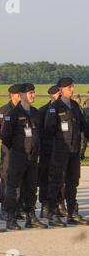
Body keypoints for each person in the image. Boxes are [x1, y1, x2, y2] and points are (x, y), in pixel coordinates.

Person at [0, 83, 47, 230]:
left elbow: (40, 133)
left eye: (33, 92)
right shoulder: (13, 113)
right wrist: (17, 148)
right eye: (30, 93)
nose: (33, 95)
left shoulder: (35, 113)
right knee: (15, 188)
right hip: (18, 155)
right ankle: (11, 216)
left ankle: (30, 216)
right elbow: (6, 136)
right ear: (21, 95)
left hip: (33, 156)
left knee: (31, 187)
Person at [44, 77, 89, 227]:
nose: (72, 89)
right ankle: (53, 213)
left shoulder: (75, 107)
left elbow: (84, 126)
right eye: (69, 87)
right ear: (61, 90)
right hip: (59, 152)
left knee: (72, 183)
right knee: (56, 183)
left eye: (72, 87)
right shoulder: (55, 107)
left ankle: (72, 213)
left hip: (74, 151)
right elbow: (48, 131)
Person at [38, 85, 66, 218]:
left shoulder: (65, 110)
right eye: (57, 94)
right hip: (46, 150)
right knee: (45, 178)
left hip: (59, 150)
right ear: (52, 96)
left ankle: (60, 203)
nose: (59, 96)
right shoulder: (43, 111)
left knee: (60, 179)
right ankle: (45, 206)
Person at [0, 84, 22, 221]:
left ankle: (17, 207)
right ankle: (4, 208)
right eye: (18, 95)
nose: (20, 97)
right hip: (8, 149)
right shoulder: (4, 110)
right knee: (6, 176)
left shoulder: (23, 110)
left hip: (21, 150)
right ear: (12, 95)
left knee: (19, 177)